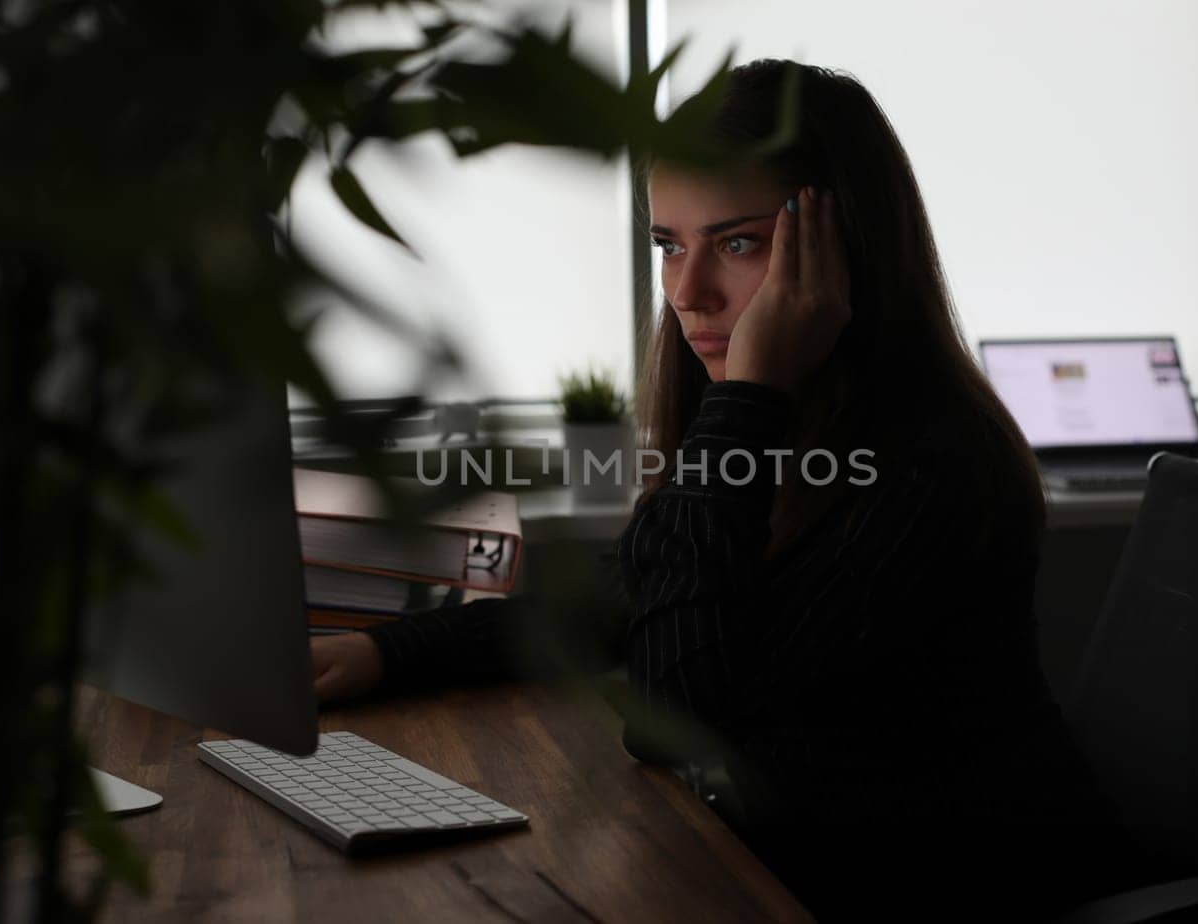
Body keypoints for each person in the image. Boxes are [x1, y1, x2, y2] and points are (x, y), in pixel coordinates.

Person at [310, 58, 1143, 919]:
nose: (685, 292)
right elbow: (627, 597)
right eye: (670, 245)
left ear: (845, 247)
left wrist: (746, 399)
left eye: (738, 243)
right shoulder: (784, 432)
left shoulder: (939, 468)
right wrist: (387, 652)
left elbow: (679, 723)